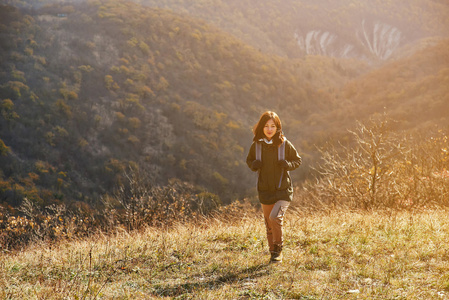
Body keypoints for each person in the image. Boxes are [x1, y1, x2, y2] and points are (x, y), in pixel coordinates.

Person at [246, 111, 302, 263]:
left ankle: (278, 249)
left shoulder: (284, 144)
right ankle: (273, 253)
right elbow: (249, 161)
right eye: (266, 126)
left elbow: (297, 161)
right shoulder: (256, 146)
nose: (269, 129)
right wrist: (253, 165)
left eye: (273, 126)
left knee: (275, 218)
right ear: (261, 128)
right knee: (268, 223)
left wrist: (288, 165)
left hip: (283, 191)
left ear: (278, 128)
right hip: (265, 191)